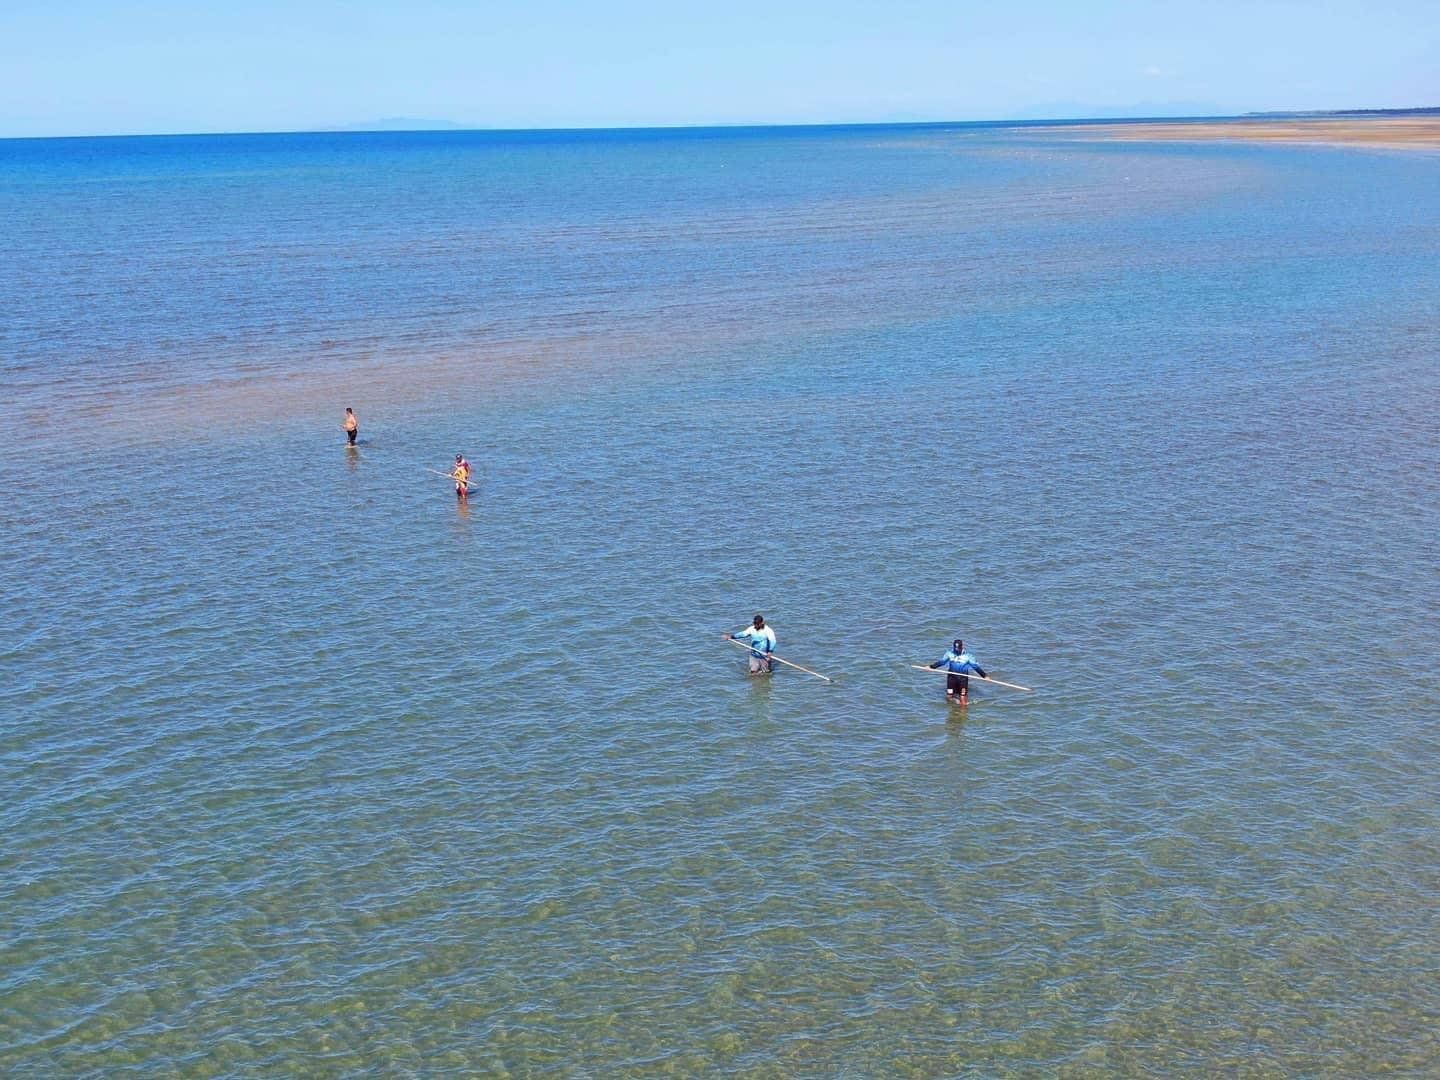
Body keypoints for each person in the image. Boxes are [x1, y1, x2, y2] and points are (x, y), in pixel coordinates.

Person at [929, 638, 987, 705]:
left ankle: (962, 713)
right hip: (951, 678)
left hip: (963, 679)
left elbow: (976, 667)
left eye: (958, 649)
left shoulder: (968, 656)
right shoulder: (949, 653)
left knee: (963, 699)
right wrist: (931, 667)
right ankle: (954, 709)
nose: (957, 650)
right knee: (949, 697)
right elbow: (942, 662)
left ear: (962, 646)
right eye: (955, 648)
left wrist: (984, 676)